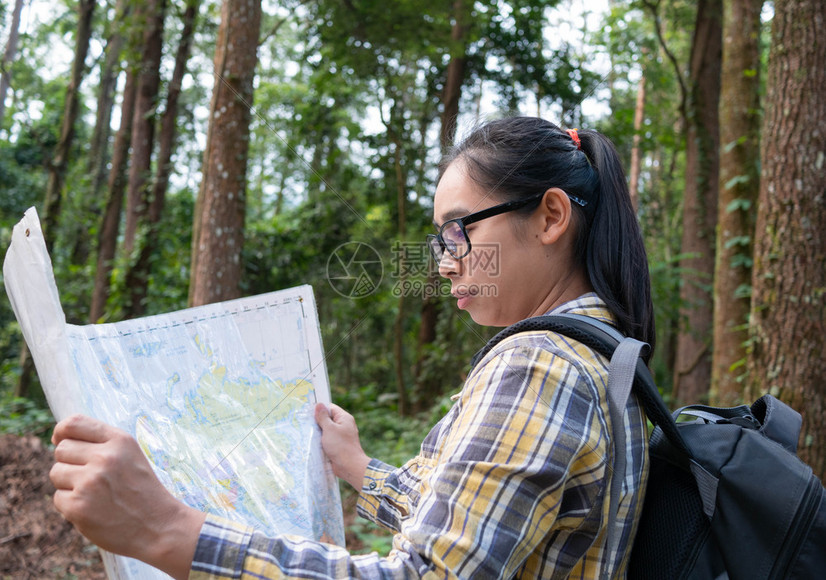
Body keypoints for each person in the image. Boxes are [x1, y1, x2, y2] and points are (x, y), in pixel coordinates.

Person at [50, 116, 653, 579]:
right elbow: (478, 526)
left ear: (550, 217)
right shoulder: (601, 354)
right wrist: (360, 468)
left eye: (457, 231)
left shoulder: (541, 365)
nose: (444, 264)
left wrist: (169, 531)